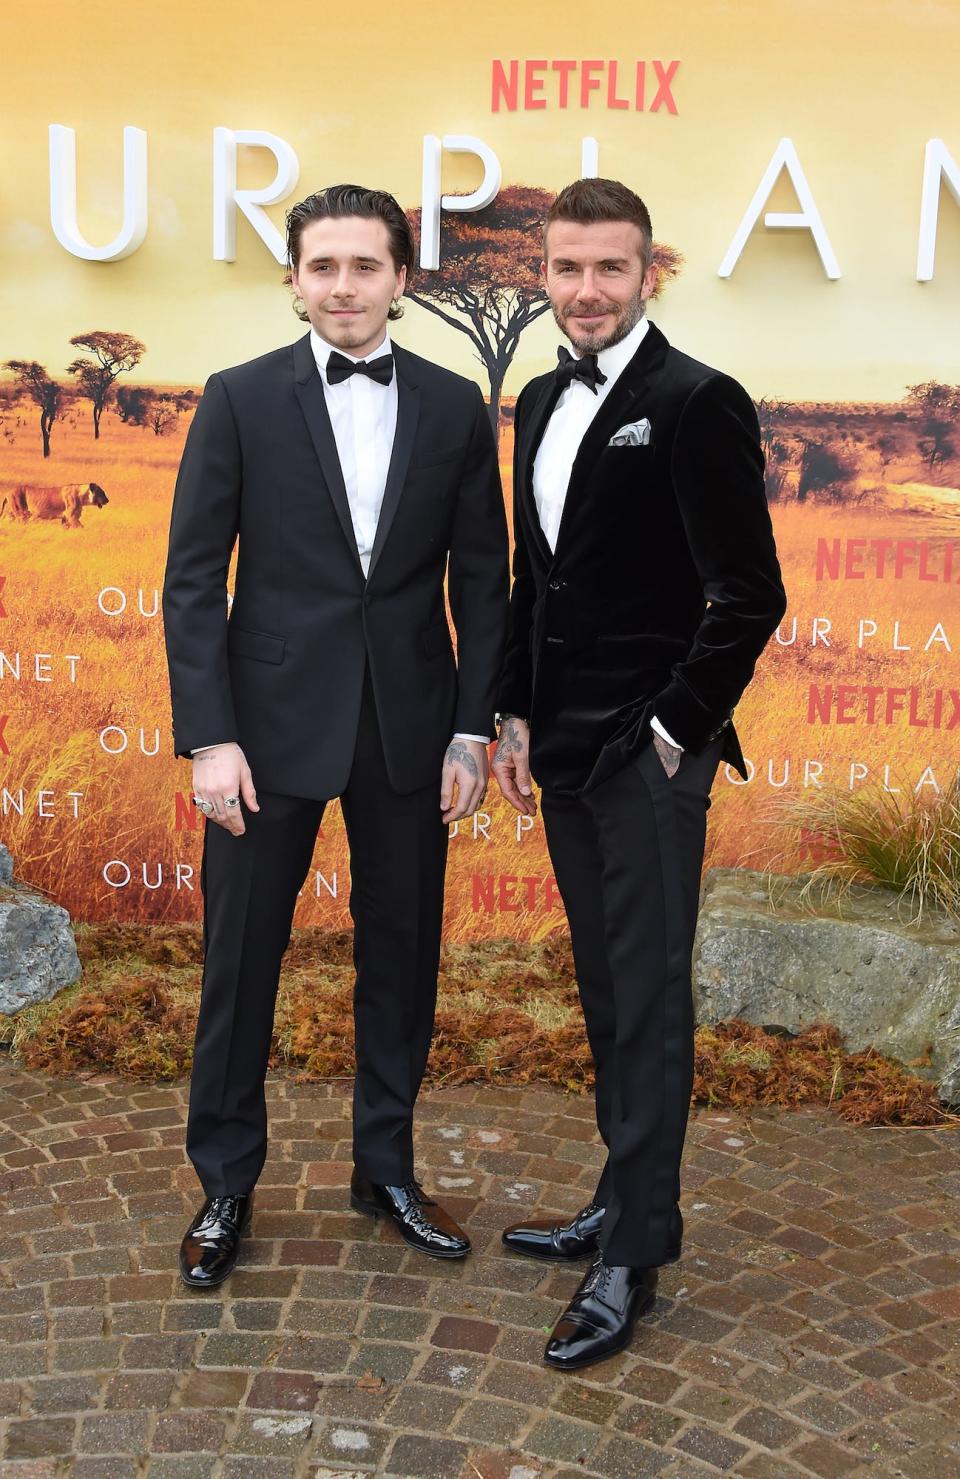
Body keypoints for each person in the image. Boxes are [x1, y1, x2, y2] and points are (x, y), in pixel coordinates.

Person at [162, 184, 508, 1289]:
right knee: (240, 964)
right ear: (296, 280)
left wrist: (470, 728)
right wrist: (209, 737)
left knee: (402, 958)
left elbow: (483, 581)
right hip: (262, 737)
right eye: (324, 267)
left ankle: (386, 1167)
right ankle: (224, 1186)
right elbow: (189, 581)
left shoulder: (458, 408)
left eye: (366, 266)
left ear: (402, 279)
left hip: (411, 729)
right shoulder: (238, 398)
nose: (344, 287)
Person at [492, 178, 786, 1371]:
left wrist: (675, 731)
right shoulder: (541, 396)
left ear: (648, 270)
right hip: (561, 746)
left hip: (650, 758)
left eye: (610, 269)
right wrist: (512, 707)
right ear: (543, 273)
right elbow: (535, 578)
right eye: (567, 269)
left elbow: (750, 594)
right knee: (610, 995)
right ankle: (617, 1198)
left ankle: (637, 1256)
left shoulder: (697, 400)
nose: (587, 291)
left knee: (654, 999)